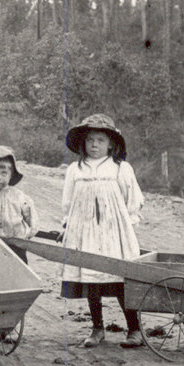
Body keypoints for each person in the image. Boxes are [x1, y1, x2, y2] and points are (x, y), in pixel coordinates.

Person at [60, 114, 145, 349]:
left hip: (113, 233)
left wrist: (125, 225)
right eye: (89, 140)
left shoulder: (120, 168)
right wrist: (68, 224)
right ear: (82, 144)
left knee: (120, 279)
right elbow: (67, 202)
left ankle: (134, 328)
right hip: (84, 231)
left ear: (111, 144)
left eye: (99, 140)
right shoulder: (75, 170)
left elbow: (132, 199)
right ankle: (98, 328)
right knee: (92, 280)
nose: (94, 145)